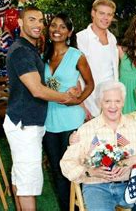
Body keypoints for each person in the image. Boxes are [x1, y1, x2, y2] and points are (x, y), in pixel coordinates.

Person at [4, 6, 75, 210]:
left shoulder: (28, 49)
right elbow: (37, 90)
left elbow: (40, 84)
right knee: (28, 182)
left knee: (20, 175)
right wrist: (65, 97)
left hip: (22, 121)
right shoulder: (21, 52)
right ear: (20, 23)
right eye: (32, 19)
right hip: (25, 125)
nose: (38, 24)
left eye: (40, 20)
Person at [60, 81, 136, 211]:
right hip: (97, 187)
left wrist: (130, 161)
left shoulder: (135, 126)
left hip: (129, 185)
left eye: (117, 101)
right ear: (100, 103)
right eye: (107, 101)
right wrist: (89, 171)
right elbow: (67, 163)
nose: (113, 106)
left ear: (123, 102)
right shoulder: (86, 130)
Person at [42, 13, 94, 211]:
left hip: (71, 122)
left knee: (75, 169)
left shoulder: (76, 56)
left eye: (63, 27)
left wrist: (79, 100)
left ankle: (81, 207)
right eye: (54, 26)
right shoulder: (43, 56)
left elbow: (90, 83)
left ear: (70, 32)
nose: (57, 30)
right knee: (56, 170)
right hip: (49, 122)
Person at [77, 0, 119, 119]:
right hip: (89, 103)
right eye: (101, 13)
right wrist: (81, 104)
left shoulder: (112, 39)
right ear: (93, 13)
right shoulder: (80, 39)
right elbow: (74, 74)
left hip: (110, 105)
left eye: (109, 15)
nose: (105, 18)